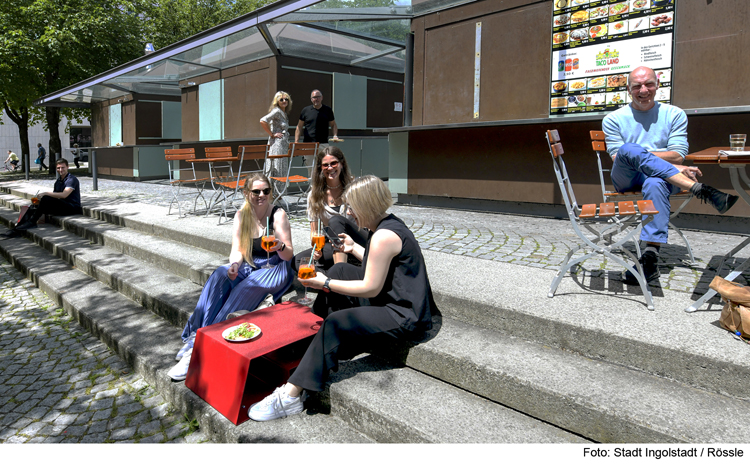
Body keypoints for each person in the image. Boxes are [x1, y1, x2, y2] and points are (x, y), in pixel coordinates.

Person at [247, 175, 439, 422]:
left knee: (336, 320)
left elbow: (370, 287)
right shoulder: (387, 225)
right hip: (395, 296)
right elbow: (377, 263)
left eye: (352, 207)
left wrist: (324, 282)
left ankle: (292, 396)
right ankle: (312, 340)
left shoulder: (384, 236)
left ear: (366, 204)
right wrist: (353, 249)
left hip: (404, 315)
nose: (349, 213)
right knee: (339, 269)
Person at [602, 65, 739, 284]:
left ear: (658, 85)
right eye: (637, 86)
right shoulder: (613, 119)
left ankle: (650, 258)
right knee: (628, 150)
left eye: (648, 84)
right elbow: (619, 158)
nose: (643, 90)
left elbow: (678, 155)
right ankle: (699, 190)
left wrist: (668, 165)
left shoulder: (674, 114)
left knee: (655, 182)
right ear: (628, 89)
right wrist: (674, 170)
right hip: (628, 178)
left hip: (664, 179)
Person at [168, 173, 295, 381]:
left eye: (266, 190)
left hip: (276, 269)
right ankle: (196, 337)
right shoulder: (241, 215)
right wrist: (234, 265)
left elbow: (288, 254)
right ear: (246, 194)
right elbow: (237, 250)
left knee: (245, 287)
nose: (262, 195)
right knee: (220, 273)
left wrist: (280, 245)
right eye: (256, 191)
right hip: (251, 264)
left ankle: (201, 349)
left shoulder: (278, 215)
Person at [291, 146, 368, 273]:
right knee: (298, 261)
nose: (330, 168)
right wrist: (317, 249)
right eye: (325, 165)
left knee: (336, 221)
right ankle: (341, 271)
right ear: (320, 168)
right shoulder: (315, 195)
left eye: (334, 163)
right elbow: (314, 231)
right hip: (332, 243)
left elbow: (368, 220)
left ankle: (340, 275)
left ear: (342, 164)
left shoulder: (354, 188)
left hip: (357, 239)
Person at [13, 159, 82, 233]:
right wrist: (39, 201)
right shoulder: (58, 181)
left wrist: (46, 193)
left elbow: (64, 195)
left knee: (46, 198)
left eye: (63, 167)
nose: (60, 170)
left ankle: (32, 222)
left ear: (67, 167)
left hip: (72, 207)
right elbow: (55, 197)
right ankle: (19, 226)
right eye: (58, 168)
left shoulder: (71, 179)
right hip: (62, 205)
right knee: (35, 206)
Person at [260, 91, 292, 187]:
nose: (284, 101)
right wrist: (272, 134)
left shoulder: (283, 113)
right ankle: (276, 195)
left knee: (282, 168)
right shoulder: (277, 111)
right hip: (277, 144)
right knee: (277, 168)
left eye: (286, 99)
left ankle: (279, 195)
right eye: (281, 99)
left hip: (283, 144)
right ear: (277, 101)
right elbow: (263, 120)